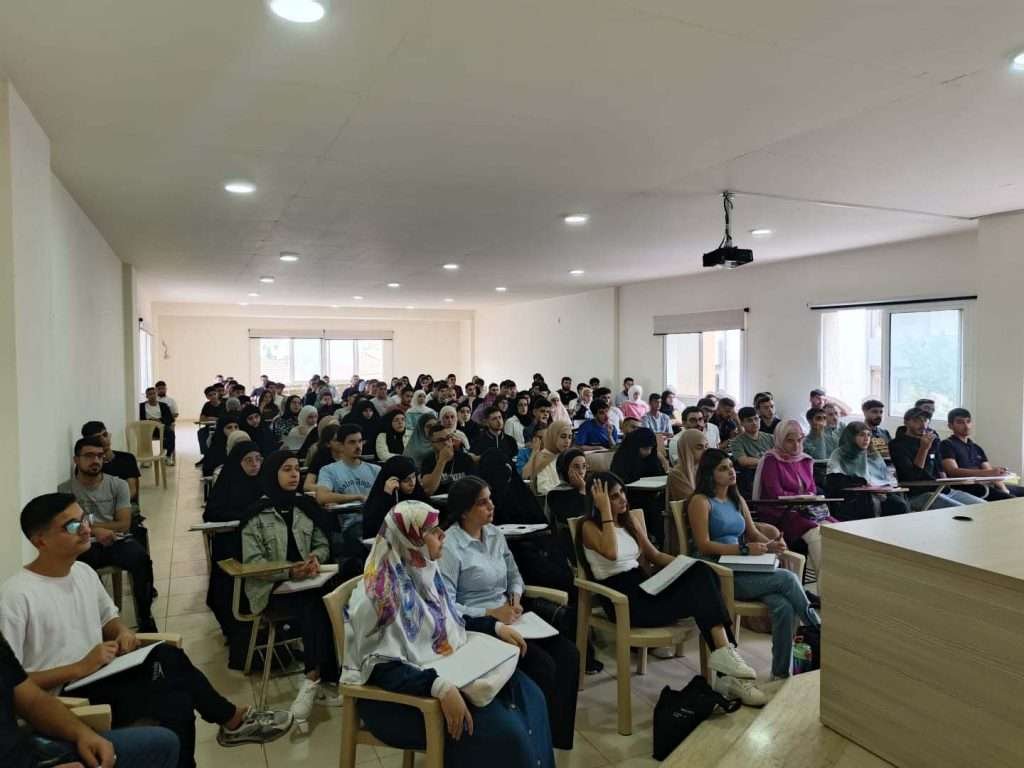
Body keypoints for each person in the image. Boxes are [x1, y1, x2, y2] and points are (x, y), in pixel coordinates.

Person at [1, 494, 293, 768]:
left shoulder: (82, 572)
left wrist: (122, 632)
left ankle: (224, 726)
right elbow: (12, 684)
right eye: (73, 526)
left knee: (170, 675)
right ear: (40, 540)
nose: (86, 529)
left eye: (85, 519)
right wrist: (79, 667)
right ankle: (231, 720)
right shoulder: (16, 597)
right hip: (64, 699)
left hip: (99, 675)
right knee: (170, 680)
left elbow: (108, 620)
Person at [342, 501, 555, 768]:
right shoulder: (377, 598)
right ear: (410, 540)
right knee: (506, 734)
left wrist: (494, 627)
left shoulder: (425, 573)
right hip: (398, 702)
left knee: (531, 696)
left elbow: (448, 622)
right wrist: (438, 687)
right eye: (432, 531)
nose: (443, 535)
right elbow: (380, 668)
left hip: (440, 674)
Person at [579, 474, 767, 705]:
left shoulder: (628, 521)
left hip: (645, 588)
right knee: (701, 590)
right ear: (599, 501)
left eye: (622, 492)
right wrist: (606, 513)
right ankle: (728, 670)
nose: (622, 499)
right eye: (614, 497)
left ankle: (726, 663)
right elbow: (611, 552)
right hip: (624, 602)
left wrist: (687, 565)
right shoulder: (589, 527)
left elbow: (655, 555)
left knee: (702, 573)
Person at [439, 479, 578, 749]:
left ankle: (556, 738)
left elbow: (514, 574)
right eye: (482, 502)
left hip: (510, 615)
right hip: (476, 623)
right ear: (464, 511)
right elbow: (446, 605)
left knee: (569, 655)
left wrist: (515, 595)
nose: (491, 506)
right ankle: (531, 738)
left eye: (490, 499)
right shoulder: (450, 546)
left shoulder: (494, 534)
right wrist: (490, 612)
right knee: (542, 665)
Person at [689, 450, 821, 682]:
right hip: (719, 572)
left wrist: (771, 545)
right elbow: (703, 545)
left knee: (784, 606)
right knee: (787, 578)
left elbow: (752, 533)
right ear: (709, 474)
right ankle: (819, 630)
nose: (731, 471)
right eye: (723, 468)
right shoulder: (700, 501)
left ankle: (779, 674)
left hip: (743, 565)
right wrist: (743, 549)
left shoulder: (736, 499)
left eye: (731, 466)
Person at [241, 452, 343, 728]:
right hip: (271, 589)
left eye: (297, 469)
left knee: (326, 600)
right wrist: (289, 571)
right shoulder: (256, 514)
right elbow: (254, 563)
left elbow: (322, 543)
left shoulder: (305, 506)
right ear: (272, 473)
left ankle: (315, 678)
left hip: (306, 583)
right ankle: (316, 678)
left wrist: (315, 558)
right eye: (286, 469)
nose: (294, 474)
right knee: (315, 604)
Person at [0, 631, 180, 768]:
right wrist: (80, 667)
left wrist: (82, 733)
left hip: (30, 752)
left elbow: (33, 700)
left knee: (163, 743)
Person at [58, 437, 157, 633]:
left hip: (117, 541)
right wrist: (95, 530)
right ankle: (96, 625)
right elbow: (68, 526)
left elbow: (124, 524)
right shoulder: (65, 490)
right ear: (76, 460)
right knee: (77, 570)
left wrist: (87, 525)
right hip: (84, 544)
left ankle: (146, 619)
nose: (95, 460)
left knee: (142, 560)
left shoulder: (118, 485)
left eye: (99, 456)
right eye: (89, 456)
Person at [203, 440, 264, 667]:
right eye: (248, 460)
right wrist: (247, 514)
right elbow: (212, 513)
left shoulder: (265, 481)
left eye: (258, 459)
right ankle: (236, 631)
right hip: (231, 543)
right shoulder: (227, 482)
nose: (255, 464)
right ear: (237, 463)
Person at [751, 420, 834, 581]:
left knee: (834, 530)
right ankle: (825, 587)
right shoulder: (771, 460)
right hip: (780, 513)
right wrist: (799, 497)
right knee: (815, 534)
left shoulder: (805, 460)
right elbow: (775, 493)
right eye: (790, 440)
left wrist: (806, 497)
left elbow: (812, 489)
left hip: (806, 511)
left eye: (799, 440)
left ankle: (838, 583)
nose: (796, 445)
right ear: (780, 439)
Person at [890, 408, 987, 511]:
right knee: (963, 510)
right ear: (906, 422)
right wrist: (924, 449)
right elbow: (913, 476)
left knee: (984, 507)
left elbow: (940, 468)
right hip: (918, 493)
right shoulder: (897, 445)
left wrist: (947, 485)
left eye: (925, 420)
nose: (923, 425)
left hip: (941, 490)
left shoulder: (932, 441)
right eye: (916, 420)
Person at [824, 422, 910, 520]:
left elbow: (885, 478)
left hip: (879, 493)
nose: (866, 439)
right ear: (851, 437)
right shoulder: (839, 454)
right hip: (852, 497)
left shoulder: (873, 454)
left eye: (869, 435)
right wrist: (861, 482)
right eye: (861, 435)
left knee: (900, 504)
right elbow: (833, 479)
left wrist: (882, 488)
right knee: (867, 503)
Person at [941, 408, 1024, 500]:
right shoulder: (946, 444)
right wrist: (990, 473)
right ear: (950, 426)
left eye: (968, 421)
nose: (966, 426)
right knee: (1012, 500)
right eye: (960, 422)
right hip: (968, 487)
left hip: (986, 484)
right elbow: (952, 471)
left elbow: (990, 472)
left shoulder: (976, 447)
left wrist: (1004, 488)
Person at [362, 456, 432, 538]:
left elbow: (431, 519)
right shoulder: (380, 498)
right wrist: (387, 496)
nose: (412, 483)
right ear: (394, 481)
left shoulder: (417, 492)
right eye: (406, 480)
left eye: (413, 477)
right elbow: (375, 528)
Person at [315, 424, 381, 505]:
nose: (358, 446)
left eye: (360, 441)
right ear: (341, 446)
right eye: (352, 442)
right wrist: (357, 497)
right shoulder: (328, 470)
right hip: (347, 513)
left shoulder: (376, 469)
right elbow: (322, 497)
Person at [80, 421, 142, 505]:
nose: (104, 440)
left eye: (105, 435)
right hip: (98, 508)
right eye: (97, 438)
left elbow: (132, 491)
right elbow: (88, 495)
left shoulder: (127, 458)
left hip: (124, 505)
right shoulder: (90, 465)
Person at [728, 407, 774, 498]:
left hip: (772, 474)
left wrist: (755, 461)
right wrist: (767, 460)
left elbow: (778, 457)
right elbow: (743, 461)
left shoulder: (770, 438)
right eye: (749, 420)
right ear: (742, 423)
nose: (754, 423)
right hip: (751, 478)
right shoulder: (736, 442)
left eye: (756, 419)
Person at [421, 424, 476, 494]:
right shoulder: (428, 460)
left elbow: (475, 487)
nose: (446, 443)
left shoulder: (465, 459)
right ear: (432, 443)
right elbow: (429, 490)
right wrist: (442, 460)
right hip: (437, 500)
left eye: (448, 438)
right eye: (441, 440)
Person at [523, 420, 572, 496]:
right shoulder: (543, 457)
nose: (567, 441)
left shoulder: (568, 456)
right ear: (553, 436)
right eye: (563, 436)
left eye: (570, 437)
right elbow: (544, 489)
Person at [667, 429, 708, 509]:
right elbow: (693, 503)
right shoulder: (677, 474)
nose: (705, 451)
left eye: (706, 446)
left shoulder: (704, 468)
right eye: (699, 447)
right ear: (687, 449)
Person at [139, 386, 176, 465]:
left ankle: (167, 456)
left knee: (170, 433)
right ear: (146, 396)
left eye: (154, 393)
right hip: (147, 428)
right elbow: (139, 419)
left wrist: (159, 420)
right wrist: (150, 421)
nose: (152, 396)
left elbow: (170, 418)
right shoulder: (141, 406)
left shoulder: (163, 405)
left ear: (156, 394)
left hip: (160, 427)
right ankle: (147, 458)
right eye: (150, 394)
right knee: (142, 435)